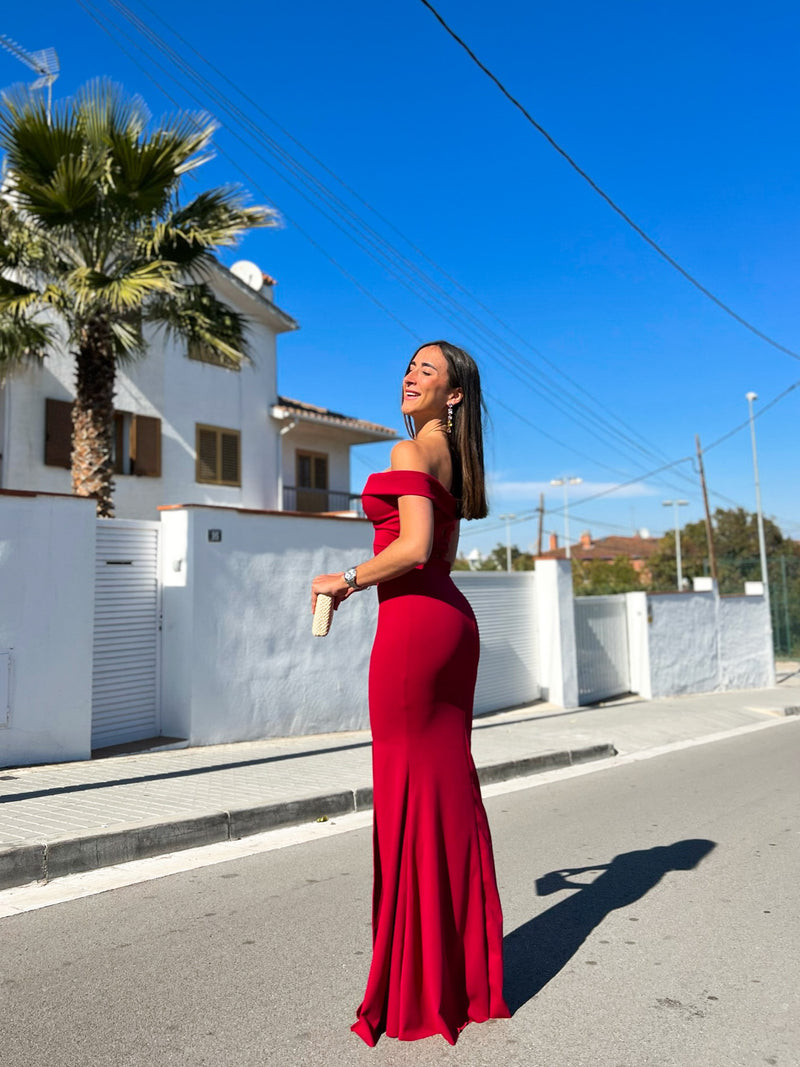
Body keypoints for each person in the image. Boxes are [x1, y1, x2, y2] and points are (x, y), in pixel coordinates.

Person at [311, 341, 510, 1046]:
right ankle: (463, 976)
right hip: (450, 624)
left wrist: (346, 577)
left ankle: (422, 984)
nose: (410, 375)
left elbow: (415, 547)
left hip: (414, 628)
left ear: (453, 395)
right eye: (409, 366)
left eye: (428, 371)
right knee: (446, 790)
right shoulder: (453, 460)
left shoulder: (410, 454)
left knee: (409, 796)